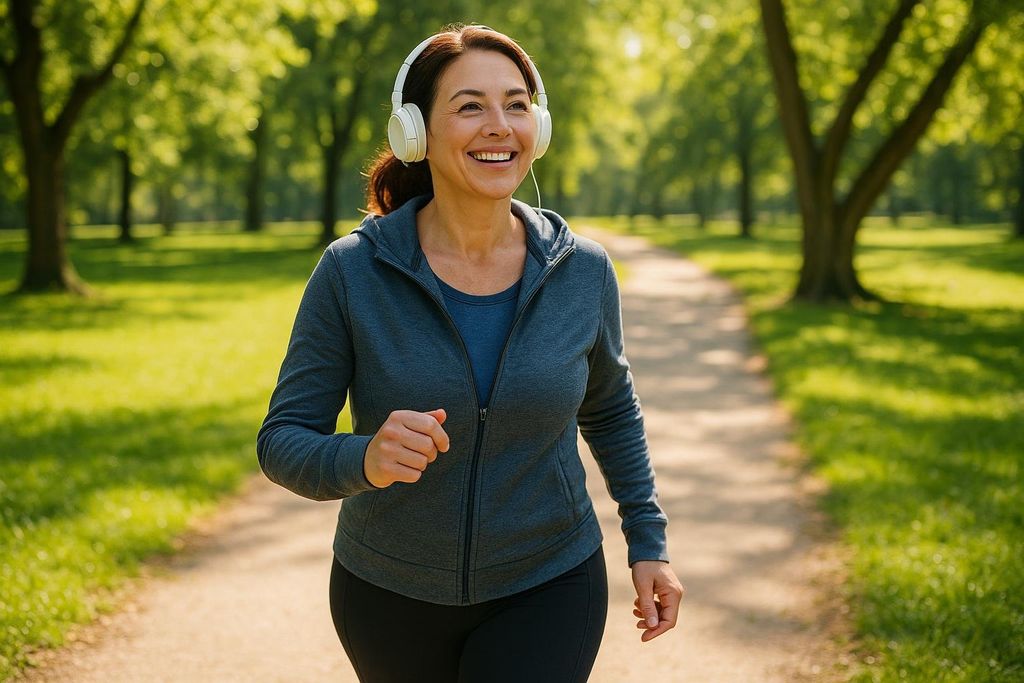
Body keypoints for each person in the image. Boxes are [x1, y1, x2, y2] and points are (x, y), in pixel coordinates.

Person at [255, 23, 684, 683]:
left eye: (516, 105)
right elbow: (283, 439)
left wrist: (647, 541)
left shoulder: (583, 271)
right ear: (415, 133)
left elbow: (611, 409)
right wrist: (363, 456)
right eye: (470, 106)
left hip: (550, 578)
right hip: (387, 592)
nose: (498, 125)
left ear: (535, 128)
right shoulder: (352, 272)